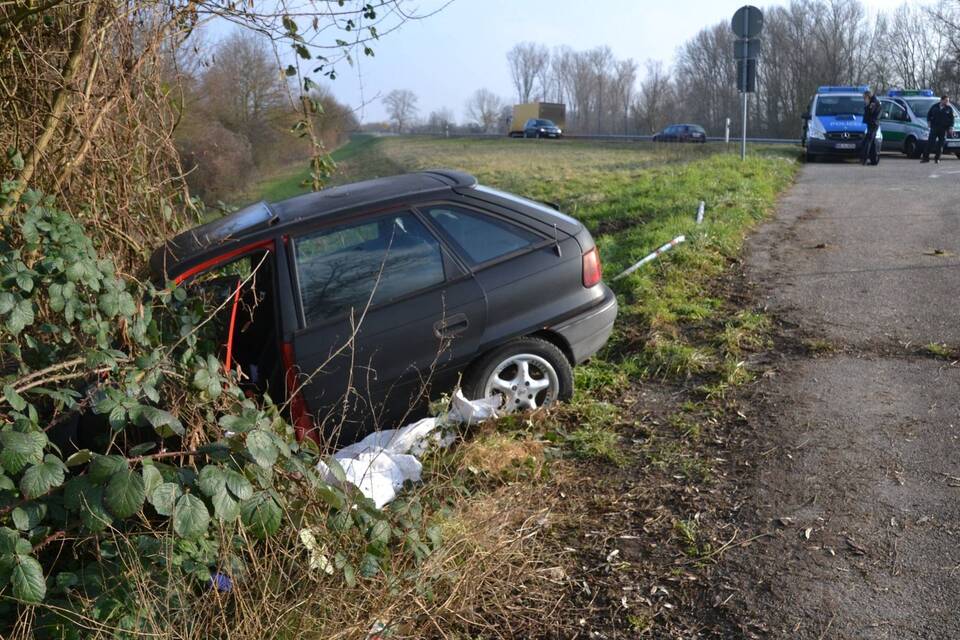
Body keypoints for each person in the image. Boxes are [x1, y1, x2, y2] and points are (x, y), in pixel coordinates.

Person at [922, 94, 955, 164]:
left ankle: (937, 158)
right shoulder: (934, 107)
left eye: (948, 101)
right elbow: (929, 114)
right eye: (946, 101)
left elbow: (952, 119)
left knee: (940, 144)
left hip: (943, 129)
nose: (947, 102)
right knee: (930, 143)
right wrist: (928, 121)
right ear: (942, 100)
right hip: (934, 128)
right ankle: (925, 158)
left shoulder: (949, 108)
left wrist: (951, 127)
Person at [861, 89, 881, 166]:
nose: (864, 100)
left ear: (868, 96)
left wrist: (867, 105)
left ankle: (865, 159)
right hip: (872, 123)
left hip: (873, 124)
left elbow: (870, 112)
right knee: (872, 142)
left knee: (868, 141)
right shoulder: (874, 101)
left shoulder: (873, 102)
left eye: (864, 98)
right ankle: (874, 160)